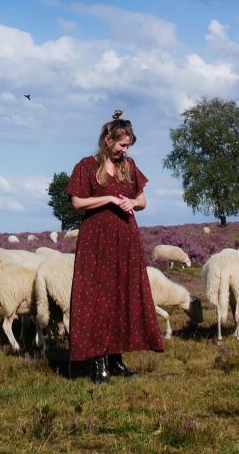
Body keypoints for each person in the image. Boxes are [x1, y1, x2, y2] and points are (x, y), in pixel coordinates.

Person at [65, 110, 164, 383]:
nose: (125, 149)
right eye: (122, 144)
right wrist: (108, 199)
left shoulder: (129, 166)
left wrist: (132, 203)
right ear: (107, 140)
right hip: (95, 240)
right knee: (96, 298)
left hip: (125, 238)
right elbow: (77, 203)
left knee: (122, 295)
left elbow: (143, 200)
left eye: (128, 145)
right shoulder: (86, 166)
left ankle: (116, 359)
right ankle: (98, 362)